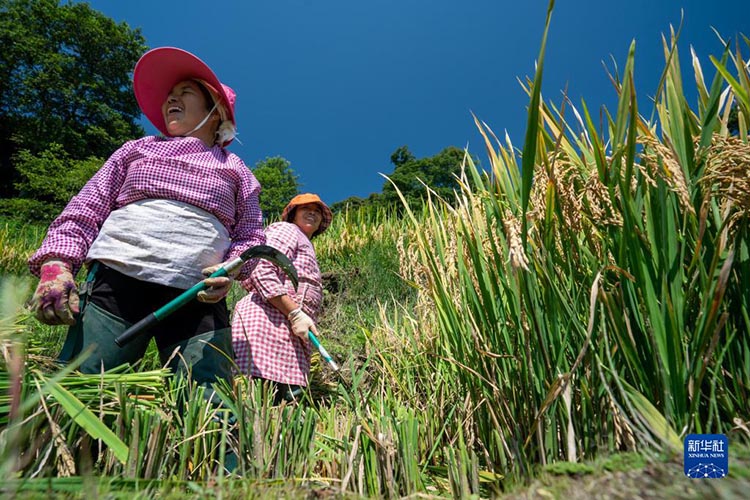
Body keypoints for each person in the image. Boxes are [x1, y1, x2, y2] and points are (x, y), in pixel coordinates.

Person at [28, 47, 265, 396]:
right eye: (170, 95)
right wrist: (57, 264)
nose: (172, 98)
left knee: (210, 401)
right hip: (118, 280)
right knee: (84, 387)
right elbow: (86, 209)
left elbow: (250, 237)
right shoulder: (137, 149)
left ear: (216, 112)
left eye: (185, 93)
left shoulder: (237, 171)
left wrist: (231, 270)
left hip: (197, 295)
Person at [231, 193, 332, 403]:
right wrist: (294, 312)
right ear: (293, 214)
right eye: (306, 209)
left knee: (287, 402)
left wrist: (297, 316)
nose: (312, 213)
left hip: (289, 327)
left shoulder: (305, 243)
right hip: (267, 320)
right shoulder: (287, 230)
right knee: (257, 396)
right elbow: (261, 267)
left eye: (317, 211)